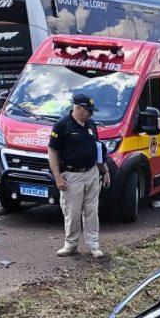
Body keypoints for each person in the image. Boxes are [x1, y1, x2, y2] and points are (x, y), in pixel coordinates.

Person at [47, 93, 110, 258]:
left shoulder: (91, 124)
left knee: (91, 211)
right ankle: (71, 244)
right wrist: (57, 177)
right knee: (72, 212)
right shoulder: (62, 125)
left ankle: (93, 245)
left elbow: (97, 150)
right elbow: (53, 152)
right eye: (88, 110)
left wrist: (104, 170)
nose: (91, 114)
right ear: (78, 107)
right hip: (72, 174)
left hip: (91, 172)